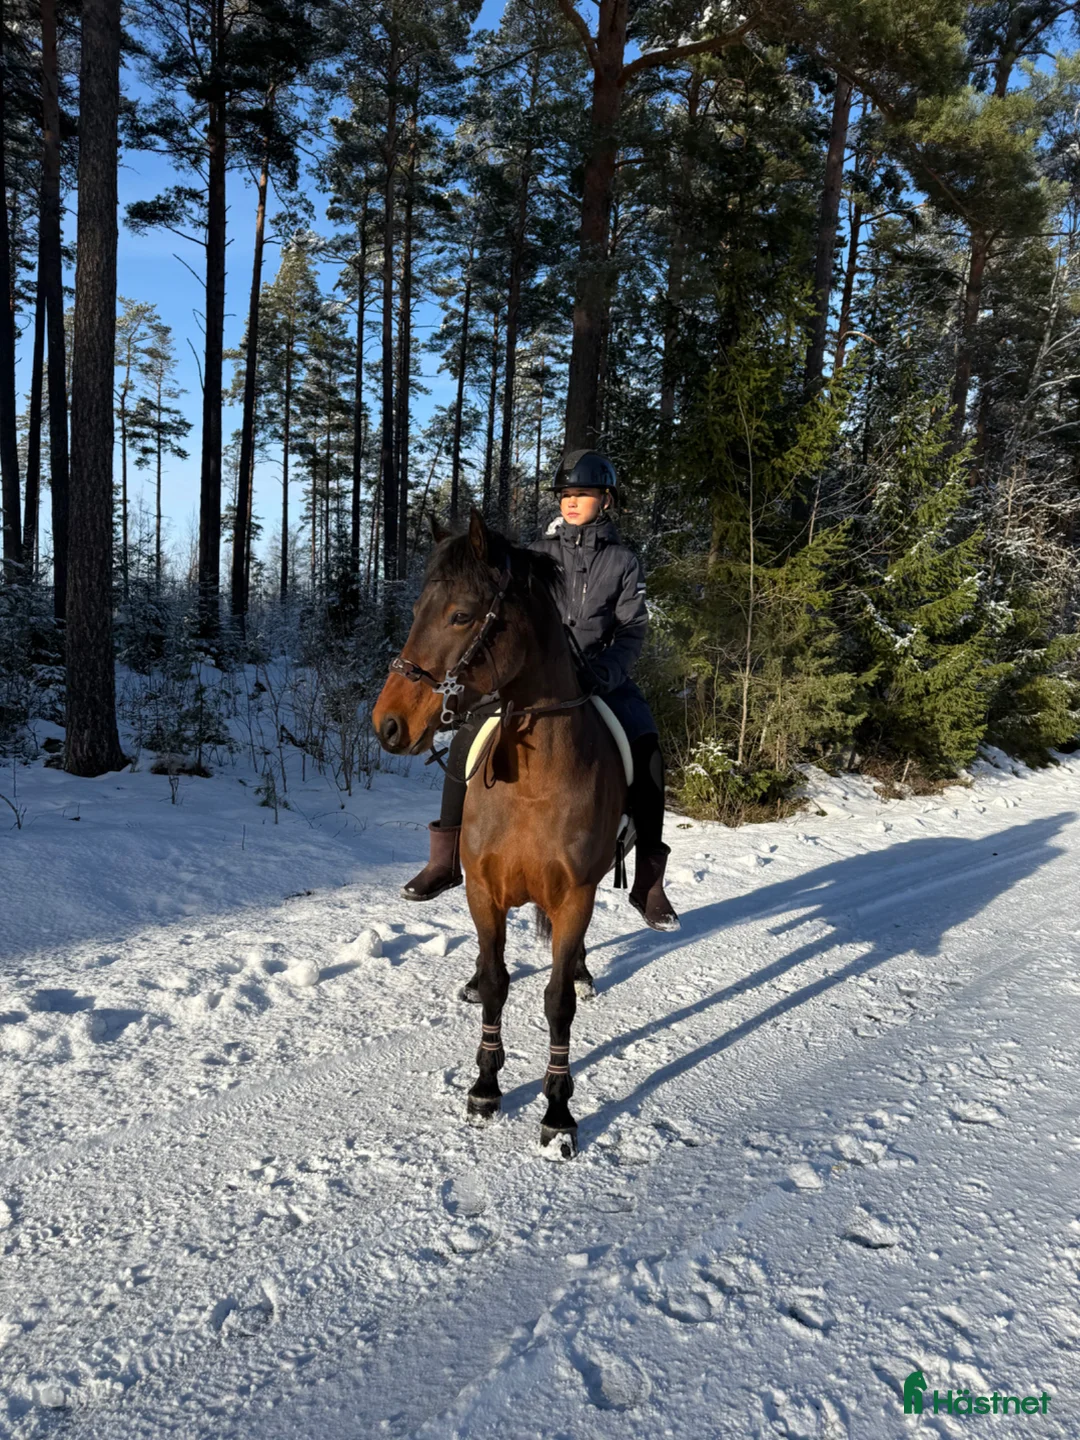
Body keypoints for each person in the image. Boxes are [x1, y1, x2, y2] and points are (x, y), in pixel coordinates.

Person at [402, 449, 680, 932]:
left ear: (605, 500)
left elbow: (632, 631)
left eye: (584, 494)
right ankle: (445, 859)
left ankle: (649, 882)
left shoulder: (622, 561)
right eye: (566, 494)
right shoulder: (538, 555)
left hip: (601, 678)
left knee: (648, 747)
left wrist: (603, 672)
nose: (572, 502)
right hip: (533, 681)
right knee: (468, 736)